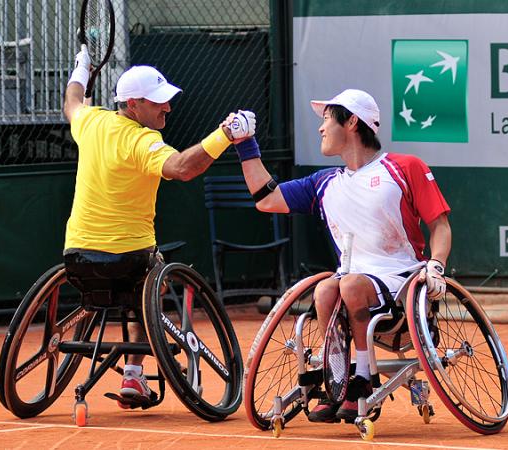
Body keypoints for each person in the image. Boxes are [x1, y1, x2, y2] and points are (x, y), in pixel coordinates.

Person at [227, 89, 451, 422]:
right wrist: (246, 143)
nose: (320, 128)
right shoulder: (325, 182)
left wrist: (437, 266)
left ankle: (364, 378)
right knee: (326, 288)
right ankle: (338, 376)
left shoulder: (405, 167)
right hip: (353, 282)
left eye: (327, 119)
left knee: (348, 285)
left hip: (402, 282)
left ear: (351, 121)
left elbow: (441, 225)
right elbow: (266, 199)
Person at [62, 46, 255, 407]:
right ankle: (133, 375)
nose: (167, 107)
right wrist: (224, 136)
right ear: (133, 105)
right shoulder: (143, 140)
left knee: (136, 280)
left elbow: (72, 102)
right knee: (150, 279)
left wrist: (81, 69)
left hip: (75, 258)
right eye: (157, 102)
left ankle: (130, 373)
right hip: (130, 260)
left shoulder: (91, 122)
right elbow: (182, 168)